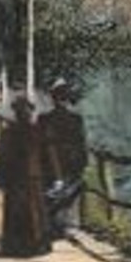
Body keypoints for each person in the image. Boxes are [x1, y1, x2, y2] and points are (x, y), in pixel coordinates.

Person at [0, 94, 50, 257]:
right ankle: (33, 246)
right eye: (22, 110)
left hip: (21, 177)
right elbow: (47, 155)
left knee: (22, 211)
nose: (24, 113)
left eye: (24, 110)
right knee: (30, 211)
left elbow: (2, 156)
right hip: (28, 177)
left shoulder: (12, 132)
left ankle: (19, 247)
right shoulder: (35, 131)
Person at [41, 78, 88, 241]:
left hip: (52, 163)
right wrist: (83, 162)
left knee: (53, 194)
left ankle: (55, 226)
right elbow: (81, 143)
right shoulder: (76, 119)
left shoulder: (44, 119)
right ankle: (68, 227)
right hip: (69, 163)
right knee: (69, 194)